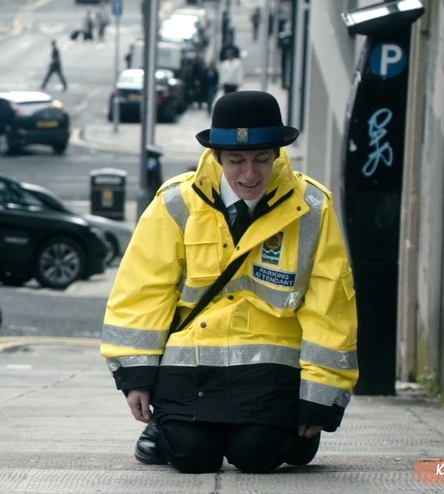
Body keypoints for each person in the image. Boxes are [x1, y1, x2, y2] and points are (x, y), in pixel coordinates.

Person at [100, 90, 359, 475]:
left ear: (277, 155)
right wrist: (135, 375)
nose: (250, 174)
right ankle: (172, 429)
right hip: (193, 363)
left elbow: (330, 307)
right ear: (217, 157)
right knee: (192, 458)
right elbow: (143, 290)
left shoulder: (311, 207)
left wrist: (320, 398)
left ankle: (291, 434)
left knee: (256, 456)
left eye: (261, 159)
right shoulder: (177, 202)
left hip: (269, 369)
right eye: (236, 161)